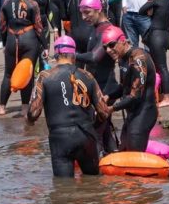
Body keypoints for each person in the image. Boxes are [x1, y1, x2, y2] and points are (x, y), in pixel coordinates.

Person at [27, 36, 110, 177]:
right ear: (73, 55)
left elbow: (34, 112)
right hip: (86, 136)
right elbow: (104, 112)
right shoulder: (88, 76)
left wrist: (30, 120)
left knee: (63, 188)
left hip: (60, 138)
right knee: (93, 180)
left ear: (56, 55)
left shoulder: (45, 76)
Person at [75, 0, 120, 153]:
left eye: (87, 12)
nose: (84, 17)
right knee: (105, 130)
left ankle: (97, 168)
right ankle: (112, 159)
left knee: (96, 132)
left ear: (99, 9)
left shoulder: (107, 30)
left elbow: (95, 57)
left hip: (106, 89)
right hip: (98, 86)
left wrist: (72, 56)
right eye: (82, 13)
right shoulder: (95, 29)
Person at [0, 0, 45, 117]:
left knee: (8, 74)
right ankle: (24, 108)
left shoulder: (6, 3)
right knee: (27, 73)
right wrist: (45, 46)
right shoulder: (33, 4)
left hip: (12, 39)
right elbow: (38, 27)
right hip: (29, 40)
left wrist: (5, 43)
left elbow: (2, 26)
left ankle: (2, 107)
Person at [101, 26, 157, 151]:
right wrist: (108, 96)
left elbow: (135, 95)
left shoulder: (138, 60)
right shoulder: (122, 58)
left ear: (123, 41)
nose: (108, 50)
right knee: (124, 150)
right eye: (105, 47)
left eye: (111, 45)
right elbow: (124, 87)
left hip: (144, 112)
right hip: (132, 112)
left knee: (134, 155)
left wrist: (112, 108)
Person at [139, 0, 169, 107]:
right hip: (167, 35)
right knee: (160, 66)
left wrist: (150, 12)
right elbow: (164, 13)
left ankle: (167, 97)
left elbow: (141, 10)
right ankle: (159, 94)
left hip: (157, 35)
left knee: (161, 67)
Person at [69, 0, 101, 64]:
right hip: (89, 32)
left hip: (74, 33)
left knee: (78, 67)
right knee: (91, 67)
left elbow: (64, 13)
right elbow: (99, 10)